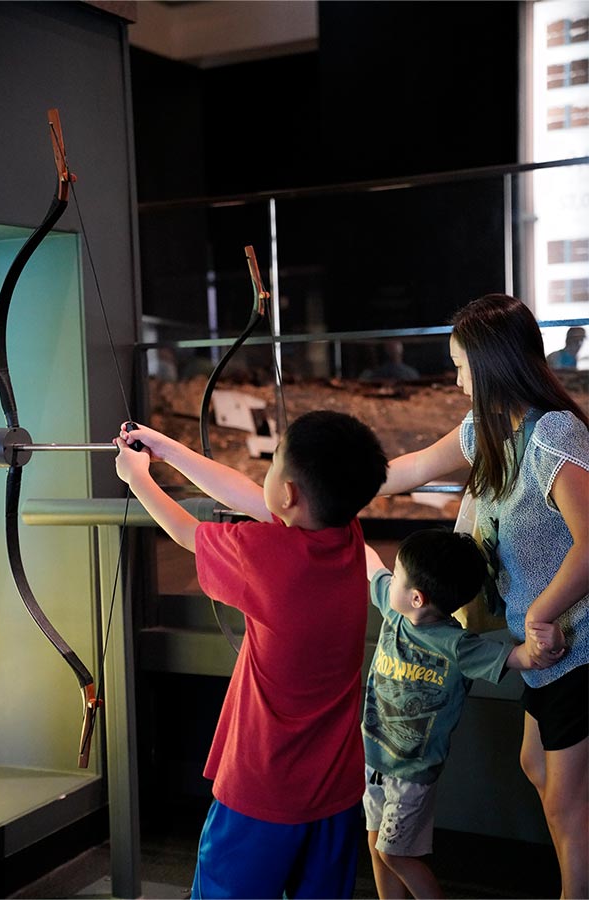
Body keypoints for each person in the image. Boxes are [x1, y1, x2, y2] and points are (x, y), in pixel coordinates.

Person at [114, 410, 388, 900]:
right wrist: (168, 450)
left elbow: (183, 531)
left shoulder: (265, 554)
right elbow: (244, 492)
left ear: (288, 494)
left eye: (272, 464)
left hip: (262, 789)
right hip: (336, 790)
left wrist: (138, 480)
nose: (262, 477)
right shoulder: (347, 535)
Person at [379, 293, 589, 899]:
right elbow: (414, 466)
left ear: (492, 363)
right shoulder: (487, 430)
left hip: (575, 647)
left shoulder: (554, 433)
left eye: (461, 363)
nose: (457, 377)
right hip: (544, 649)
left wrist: (545, 612)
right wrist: (332, 479)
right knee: (537, 768)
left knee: (565, 807)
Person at [362, 529, 564, 900]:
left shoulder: (456, 644)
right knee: (377, 844)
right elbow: (370, 563)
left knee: (395, 853)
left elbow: (517, 658)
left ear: (417, 598)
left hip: (413, 773)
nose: (390, 576)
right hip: (375, 758)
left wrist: (543, 646)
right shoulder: (395, 607)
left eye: (398, 572)